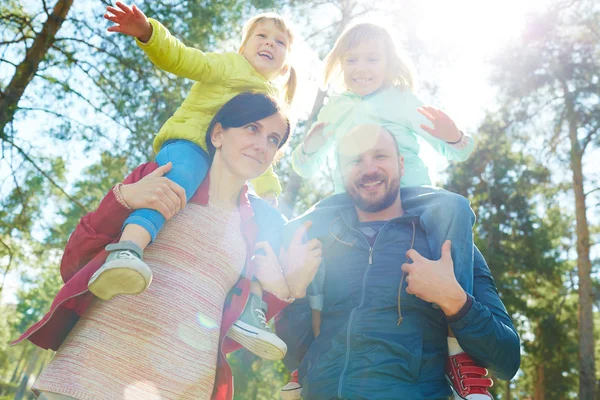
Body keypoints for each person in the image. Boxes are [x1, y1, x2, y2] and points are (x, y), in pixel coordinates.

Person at [12, 93, 321, 400]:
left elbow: (228, 330)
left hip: (180, 388)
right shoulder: (161, 177)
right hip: (86, 374)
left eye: (273, 139)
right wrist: (123, 200)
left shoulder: (256, 230)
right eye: (252, 128)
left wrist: (289, 287)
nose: (262, 145)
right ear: (217, 134)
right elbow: (74, 265)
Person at [88, 2, 298, 358]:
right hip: (190, 146)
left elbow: (265, 150)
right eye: (261, 36)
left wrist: (269, 190)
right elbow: (185, 59)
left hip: (229, 170)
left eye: (279, 42)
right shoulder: (229, 66)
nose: (269, 44)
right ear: (242, 48)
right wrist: (149, 33)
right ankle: (127, 250)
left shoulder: (271, 102)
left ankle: (252, 308)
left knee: (267, 223)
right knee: (182, 177)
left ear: (285, 65)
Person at [276, 126, 520, 399]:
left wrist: (454, 300)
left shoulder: (449, 244)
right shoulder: (318, 247)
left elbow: (507, 359)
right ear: (341, 172)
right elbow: (293, 355)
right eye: (355, 160)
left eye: (380, 156)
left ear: (401, 164)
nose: (369, 169)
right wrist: (295, 295)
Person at [290, 22, 477, 356]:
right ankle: (305, 350)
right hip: (351, 199)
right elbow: (303, 167)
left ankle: (456, 339)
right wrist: (309, 146)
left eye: (372, 60)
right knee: (302, 230)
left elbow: (459, 151)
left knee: (454, 207)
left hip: (409, 194)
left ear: (389, 65)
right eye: (352, 60)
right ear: (340, 64)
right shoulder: (334, 108)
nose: (360, 68)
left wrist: (453, 135)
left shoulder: (402, 101)